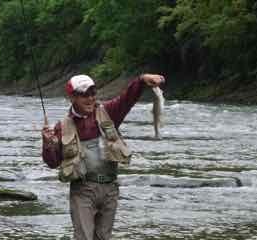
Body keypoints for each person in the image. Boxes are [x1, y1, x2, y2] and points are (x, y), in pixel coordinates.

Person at [42, 73, 165, 240]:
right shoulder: (61, 127)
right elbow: (53, 162)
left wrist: (142, 80)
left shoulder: (108, 112)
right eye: (84, 94)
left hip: (110, 188)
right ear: (72, 97)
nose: (90, 98)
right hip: (83, 190)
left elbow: (127, 98)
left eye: (93, 93)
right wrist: (48, 143)